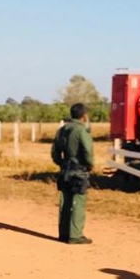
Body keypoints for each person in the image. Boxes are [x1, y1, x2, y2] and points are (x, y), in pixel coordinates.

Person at [51, 103, 95, 244]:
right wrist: (89, 165)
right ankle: (75, 235)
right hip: (79, 170)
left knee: (65, 201)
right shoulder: (82, 130)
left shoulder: (63, 130)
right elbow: (87, 151)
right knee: (78, 202)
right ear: (84, 116)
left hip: (65, 170)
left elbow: (54, 151)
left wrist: (61, 163)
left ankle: (63, 233)